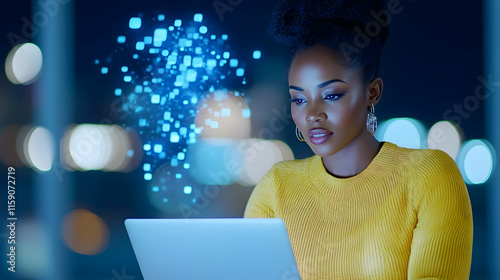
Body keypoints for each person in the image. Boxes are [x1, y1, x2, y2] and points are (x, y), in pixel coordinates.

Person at [243, 0, 474, 279]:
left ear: (372, 92)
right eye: (299, 99)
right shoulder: (275, 187)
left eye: (331, 95)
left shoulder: (428, 175)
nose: (312, 114)